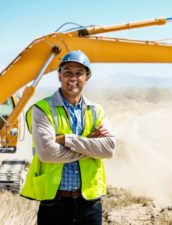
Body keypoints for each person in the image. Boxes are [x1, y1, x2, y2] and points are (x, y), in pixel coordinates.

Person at [21, 50, 116, 225]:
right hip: (55, 203)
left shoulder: (96, 111)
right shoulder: (42, 109)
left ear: (86, 78)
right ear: (59, 76)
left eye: (79, 73)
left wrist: (66, 139)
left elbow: (109, 149)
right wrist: (90, 147)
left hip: (90, 202)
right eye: (68, 73)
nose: (73, 78)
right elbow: (47, 153)